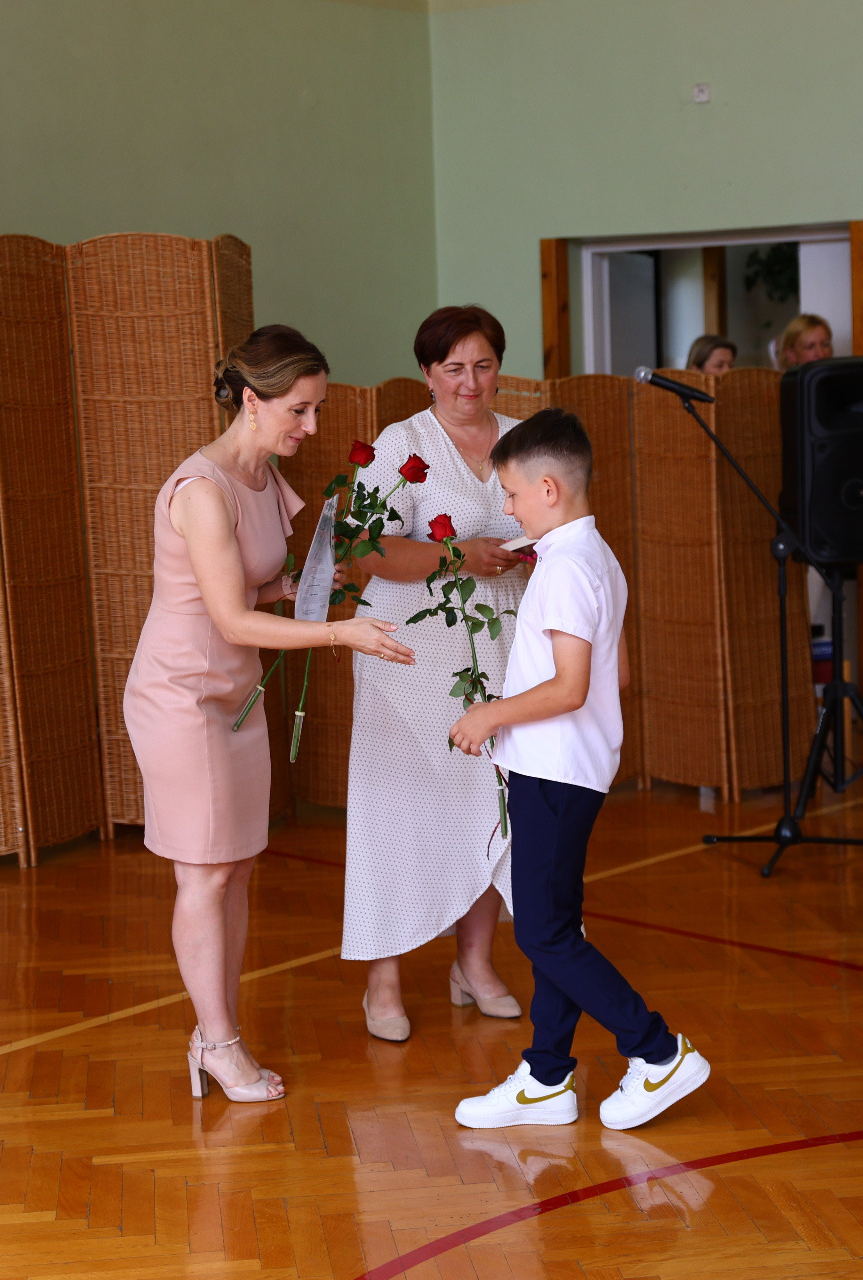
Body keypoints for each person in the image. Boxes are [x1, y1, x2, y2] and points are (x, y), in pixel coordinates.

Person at [123, 324, 414, 1104]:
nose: (311, 427)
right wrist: (340, 633)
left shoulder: (261, 479)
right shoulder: (202, 490)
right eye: (299, 411)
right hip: (181, 696)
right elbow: (228, 619)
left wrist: (296, 588)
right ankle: (218, 1043)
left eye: (316, 410)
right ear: (252, 401)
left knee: (237, 866)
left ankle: (214, 1034)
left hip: (234, 692)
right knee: (206, 873)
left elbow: (247, 591)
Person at [449, 409, 711, 1132]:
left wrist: (489, 715)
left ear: (549, 489)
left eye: (511, 493)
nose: (507, 509)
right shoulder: (598, 557)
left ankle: (658, 1052)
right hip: (574, 769)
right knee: (556, 926)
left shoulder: (564, 568)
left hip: (554, 773)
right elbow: (614, 677)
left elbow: (571, 688)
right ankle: (545, 1077)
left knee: (542, 934)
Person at [343, 305, 528, 1042]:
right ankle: (382, 978)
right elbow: (365, 551)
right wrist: (457, 555)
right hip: (409, 657)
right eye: (453, 368)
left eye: (483, 365)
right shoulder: (402, 444)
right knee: (394, 809)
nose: (469, 382)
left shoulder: (525, 440)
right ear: (427, 373)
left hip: (504, 650)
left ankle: (473, 964)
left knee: (491, 801)